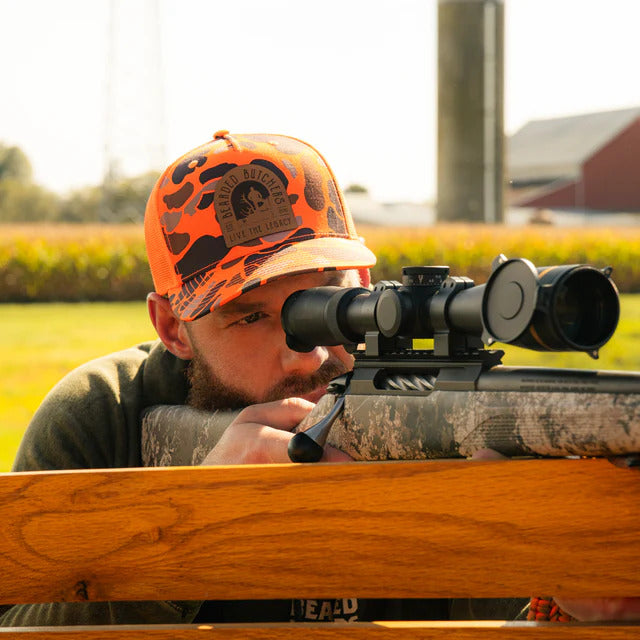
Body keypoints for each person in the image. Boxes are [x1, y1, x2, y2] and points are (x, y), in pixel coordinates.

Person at [0, 131, 634, 626]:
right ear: (172, 327)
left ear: (362, 287)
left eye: (326, 303)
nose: (306, 354)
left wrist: (565, 588)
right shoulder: (104, 416)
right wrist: (193, 534)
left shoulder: (452, 419)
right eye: (250, 317)